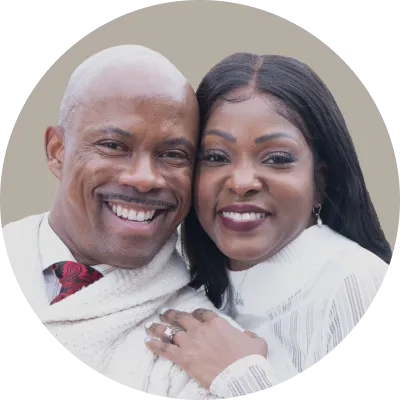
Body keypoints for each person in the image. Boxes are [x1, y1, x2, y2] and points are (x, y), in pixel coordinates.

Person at [2, 45, 282, 398]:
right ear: (57, 151)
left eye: (173, 154)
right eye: (114, 146)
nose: (145, 178)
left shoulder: (203, 353)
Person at [145, 52, 393, 385]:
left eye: (276, 158)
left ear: (319, 183)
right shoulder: (182, 281)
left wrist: (240, 377)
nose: (241, 182)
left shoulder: (358, 284)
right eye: (216, 157)